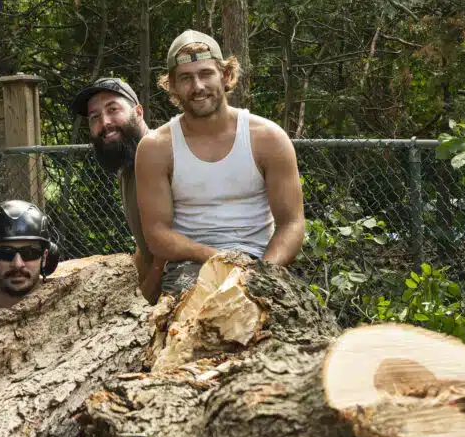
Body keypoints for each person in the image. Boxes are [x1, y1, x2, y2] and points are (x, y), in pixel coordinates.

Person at [134, 30, 305, 300]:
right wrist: (219, 259)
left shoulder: (268, 138)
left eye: (205, 74)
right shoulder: (156, 148)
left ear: (225, 76)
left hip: (263, 261)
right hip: (190, 265)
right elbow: (157, 234)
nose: (198, 86)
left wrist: (261, 273)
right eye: (186, 78)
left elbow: (292, 223)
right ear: (173, 87)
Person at [71, 77, 162, 303]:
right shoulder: (128, 166)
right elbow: (146, 249)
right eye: (95, 118)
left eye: (113, 109)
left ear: (138, 112)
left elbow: (168, 255)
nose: (105, 122)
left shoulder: (161, 155)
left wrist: (139, 307)